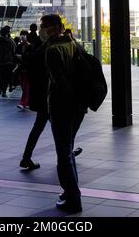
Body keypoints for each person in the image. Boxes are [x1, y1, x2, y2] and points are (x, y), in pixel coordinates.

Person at [40, 14, 86, 213]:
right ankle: (71, 192)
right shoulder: (73, 44)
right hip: (78, 107)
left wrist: (62, 106)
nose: (43, 30)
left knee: (63, 154)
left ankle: (73, 198)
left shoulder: (52, 50)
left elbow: (59, 82)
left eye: (46, 26)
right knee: (68, 150)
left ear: (56, 27)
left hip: (62, 107)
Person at [19, 41, 83, 170]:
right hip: (52, 98)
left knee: (38, 128)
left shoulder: (41, 50)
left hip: (43, 97)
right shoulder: (55, 51)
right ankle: (67, 154)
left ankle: (26, 158)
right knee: (64, 129)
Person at [0, 26, 15, 97]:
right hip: (9, 61)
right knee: (8, 75)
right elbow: (13, 50)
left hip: (1, 62)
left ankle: (1, 89)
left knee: (2, 76)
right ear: (7, 33)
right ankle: (5, 90)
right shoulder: (10, 41)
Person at [15, 30, 32, 110]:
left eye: (24, 35)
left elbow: (30, 58)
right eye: (22, 35)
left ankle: (23, 102)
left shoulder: (30, 46)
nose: (22, 37)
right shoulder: (19, 46)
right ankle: (28, 102)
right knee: (24, 86)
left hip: (28, 69)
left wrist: (22, 57)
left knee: (25, 87)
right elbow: (15, 55)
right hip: (20, 68)